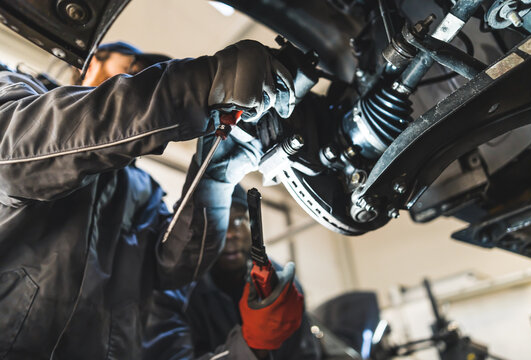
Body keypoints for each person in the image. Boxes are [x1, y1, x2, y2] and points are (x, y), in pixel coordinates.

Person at [0, 40, 302, 359]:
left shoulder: (142, 192)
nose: (145, 79)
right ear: (87, 64)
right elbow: (19, 157)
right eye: (133, 71)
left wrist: (216, 177)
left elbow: (174, 269)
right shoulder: (16, 91)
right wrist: (199, 84)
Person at [144, 184, 322, 360]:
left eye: (238, 220)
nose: (230, 234)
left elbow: (305, 353)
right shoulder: (173, 291)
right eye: (218, 221)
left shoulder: (280, 285)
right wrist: (254, 347)